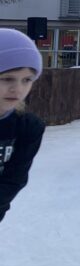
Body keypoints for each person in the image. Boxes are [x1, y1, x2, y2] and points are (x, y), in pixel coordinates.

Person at [0, 29, 46, 224]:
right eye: (7, 78)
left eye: (27, 80)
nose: (18, 89)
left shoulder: (29, 127)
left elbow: (14, 179)